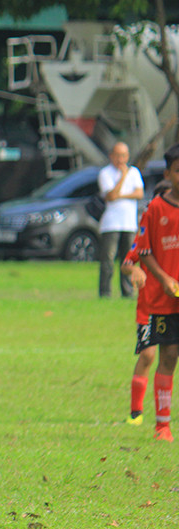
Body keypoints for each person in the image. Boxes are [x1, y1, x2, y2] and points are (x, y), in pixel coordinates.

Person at [132, 144, 179, 441]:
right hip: (164, 298)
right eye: (178, 170)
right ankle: (162, 425)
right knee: (169, 355)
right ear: (168, 173)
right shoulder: (156, 209)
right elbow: (143, 250)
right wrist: (162, 278)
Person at [121, 180, 173, 426]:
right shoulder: (144, 239)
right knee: (148, 356)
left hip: (171, 304)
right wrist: (134, 273)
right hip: (149, 307)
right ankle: (136, 412)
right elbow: (127, 262)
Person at [98, 142, 144, 298]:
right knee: (108, 260)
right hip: (111, 224)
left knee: (128, 261)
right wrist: (123, 176)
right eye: (117, 155)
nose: (120, 159)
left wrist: (121, 195)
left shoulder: (135, 172)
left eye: (124, 156)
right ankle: (105, 292)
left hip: (129, 224)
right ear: (111, 156)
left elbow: (139, 194)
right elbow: (110, 196)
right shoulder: (105, 173)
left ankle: (127, 292)